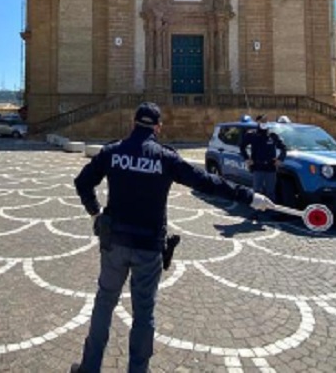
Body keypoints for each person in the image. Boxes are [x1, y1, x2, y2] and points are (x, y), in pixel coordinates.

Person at [71, 102, 276, 373]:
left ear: (133, 124)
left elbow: (82, 182)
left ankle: (89, 368)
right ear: (158, 128)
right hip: (148, 247)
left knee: (103, 305)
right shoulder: (166, 158)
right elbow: (207, 181)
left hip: (115, 244)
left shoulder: (113, 151)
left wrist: (95, 213)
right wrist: (249, 196)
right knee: (143, 314)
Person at [240, 114, 287, 218]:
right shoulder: (252, 134)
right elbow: (242, 147)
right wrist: (247, 159)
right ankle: (256, 212)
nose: (264, 123)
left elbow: (283, 148)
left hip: (270, 168)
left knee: (271, 192)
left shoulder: (272, 135)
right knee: (257, 191)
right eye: (262, 121)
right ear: (258, 122)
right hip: (258, 167)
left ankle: (271, 211)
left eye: (265, 121)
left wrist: (280, 159)